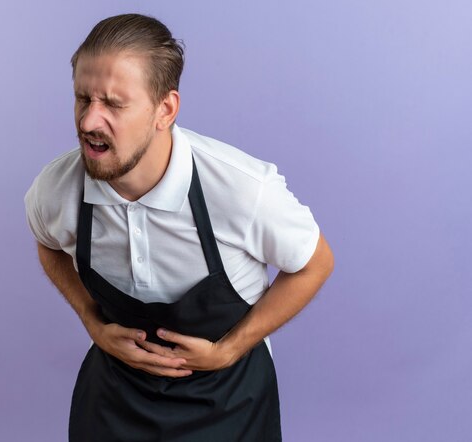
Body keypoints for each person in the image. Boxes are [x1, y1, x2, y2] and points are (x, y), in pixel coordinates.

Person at [24, 13, 334, 442]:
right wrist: (92, 323)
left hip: (229, 403)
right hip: (114, 402)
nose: (89, 122)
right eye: (82, 99)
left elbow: (315, 263)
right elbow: (47, 245)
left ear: (164, 110)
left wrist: (229, 349)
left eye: (114, 104)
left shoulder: (240, 189)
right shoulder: (56, 189)